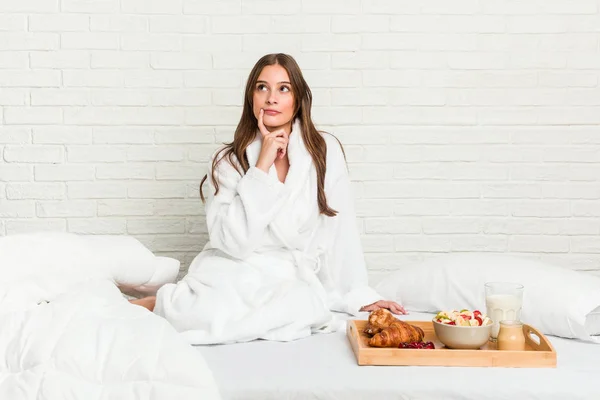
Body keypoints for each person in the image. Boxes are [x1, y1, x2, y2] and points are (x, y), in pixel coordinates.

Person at [131, 53, 406, 344]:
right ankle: (158, 303)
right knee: (206, 311)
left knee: (300, 306)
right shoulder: (228, 161)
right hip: (235, 267)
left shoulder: (324, 152)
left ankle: (165, 303)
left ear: (297, 100)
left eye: (283, 89)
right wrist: (260, 168)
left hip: (288, 275)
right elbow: (234, 243)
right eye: (262, 88)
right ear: (251, 98)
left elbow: (340, 231)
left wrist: (358, 294)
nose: (271, 98)